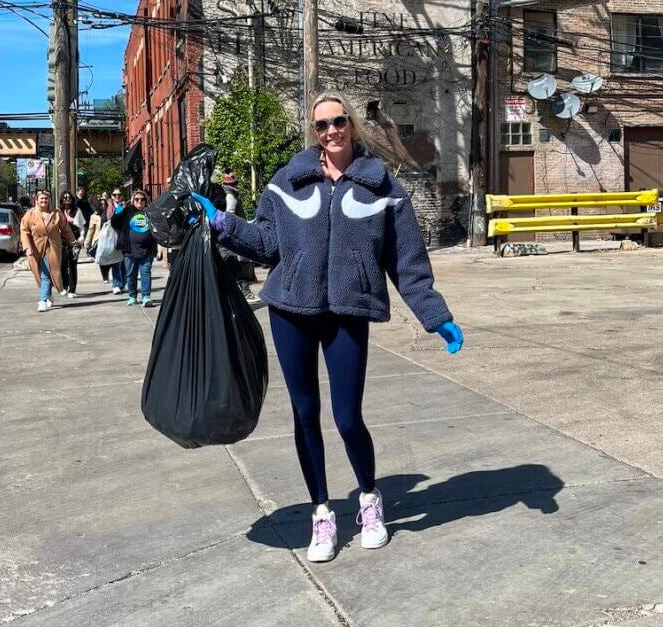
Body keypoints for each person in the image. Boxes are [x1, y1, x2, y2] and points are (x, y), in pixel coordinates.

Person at [193, 91, 464, 563]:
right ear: (313, 132)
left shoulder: (383, 187)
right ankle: (322, 512)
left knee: (346, 417)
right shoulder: (287, 182)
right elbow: (267, 243)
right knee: (304, 414)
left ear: (352, 125)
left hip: (347, 311)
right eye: (321, 125)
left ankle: (369, 499)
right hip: (290, 310)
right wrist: (223, 222)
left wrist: (434, 313)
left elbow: (407, 261)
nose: (331, 130)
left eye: (339, 121)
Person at [20, 190, 77, 313]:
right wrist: (27, 247)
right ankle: (48, 294)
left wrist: (72, 241)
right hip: (35, 248)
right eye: (41, 199)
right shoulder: (30, 214)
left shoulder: (56, 214)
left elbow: (66, 229)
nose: (44, 201)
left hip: (52, 248)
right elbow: (24, 231)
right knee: (41, 273)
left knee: (47, 273)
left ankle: (42, 300)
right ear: (36, 200)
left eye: (46, 199)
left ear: (49, 200)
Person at [111, 188, 157, 306]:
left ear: (146, 201)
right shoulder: (127, 211)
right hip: (130, 250)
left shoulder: (150, 212)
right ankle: (132, 296)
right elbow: (115, 223)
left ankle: (146, 296)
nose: (140, 202)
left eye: (142, 200)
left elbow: (157, 227)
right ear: (133, 201)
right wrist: (117, 212)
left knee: (146, 273)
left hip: (146, 250)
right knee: (131, 274)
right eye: (137, 199)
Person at [219, 171, 259, 302]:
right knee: (238, 262)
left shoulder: (225, 193)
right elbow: (230, 213)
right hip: (232, 235)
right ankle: (245, 292)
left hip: (227, 235)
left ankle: (237, 292)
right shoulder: (230, 195)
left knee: (234, 263)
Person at [57, 192, 84, 298]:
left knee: (72, 265)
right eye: (65, 197)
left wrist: (81, 238)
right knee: (62, 265)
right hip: (61, 241)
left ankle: (72, 290)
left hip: (74, 241)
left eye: (69, 197)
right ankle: (65, 284)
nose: (67, 199)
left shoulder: (77, 211)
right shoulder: (58, 211)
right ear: (61, 200)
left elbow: (81, 226)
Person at [103, 188, 127, 293]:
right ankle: (116, 284)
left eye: (119, 195)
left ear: (122, 196)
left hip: (124, 236)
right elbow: (109, 218)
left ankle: (123, 284)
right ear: (112, 196)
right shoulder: (111, 207)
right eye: (115, 195)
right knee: (116, 262)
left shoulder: (125, 206)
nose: (117, 196)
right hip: (113, 237)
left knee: (125, 262)